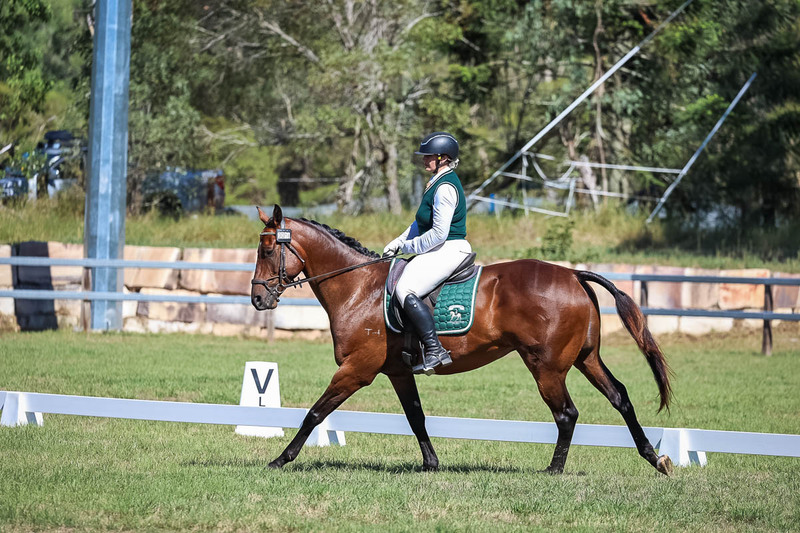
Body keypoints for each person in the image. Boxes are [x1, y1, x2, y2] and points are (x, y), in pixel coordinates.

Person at [383, 132, 472, 374]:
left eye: (429, 156)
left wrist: (408, 247)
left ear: (443, 158)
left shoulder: (445, 188)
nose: (424, 159)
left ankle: (434, 349)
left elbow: (438, 234)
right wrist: (399, 240)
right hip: (441, 248)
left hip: (449, 248)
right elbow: (419, 223)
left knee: (404, 289)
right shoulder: (435, 181)